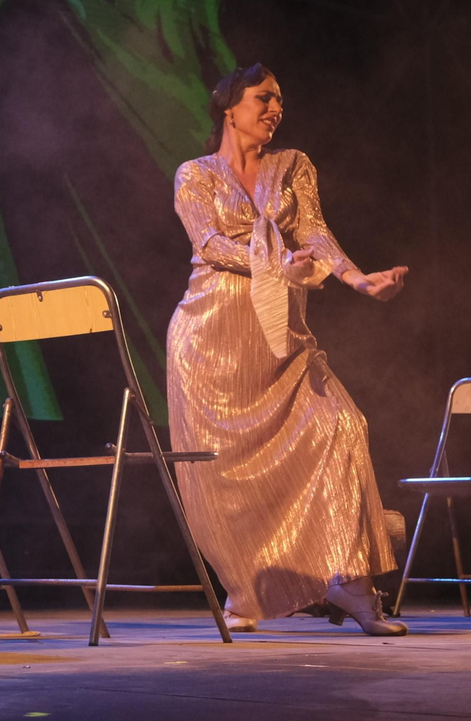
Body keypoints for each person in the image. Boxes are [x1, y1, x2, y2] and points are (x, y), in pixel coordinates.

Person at [166, 64, 410, 635]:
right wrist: (278, 263)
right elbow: (209, 243)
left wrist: (360, 281)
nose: (275, 108)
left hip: (281, 337)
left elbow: (316, 234)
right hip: (211, 339)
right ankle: (246, 592)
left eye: (280, 101)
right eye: (264, 98)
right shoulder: (194, 174)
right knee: (227, 473)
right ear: (230, 105)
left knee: (342, 427)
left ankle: (352, 585)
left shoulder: (292, 165)